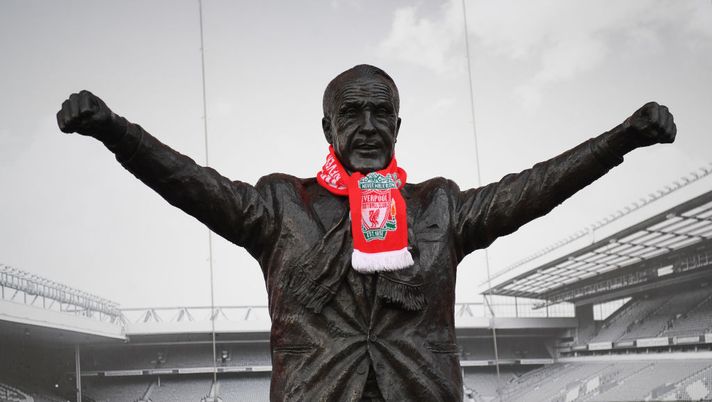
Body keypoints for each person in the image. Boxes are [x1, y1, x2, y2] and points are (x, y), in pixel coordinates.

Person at [56, 64, 676, 401]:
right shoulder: (280, 205)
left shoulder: (438, 206)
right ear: (327, 128)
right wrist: (115, 129)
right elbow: (188, 180)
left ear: (400, 125)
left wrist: (620, 139)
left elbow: (534, 187)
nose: (370, 125)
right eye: (353, 113)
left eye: (383, 113)